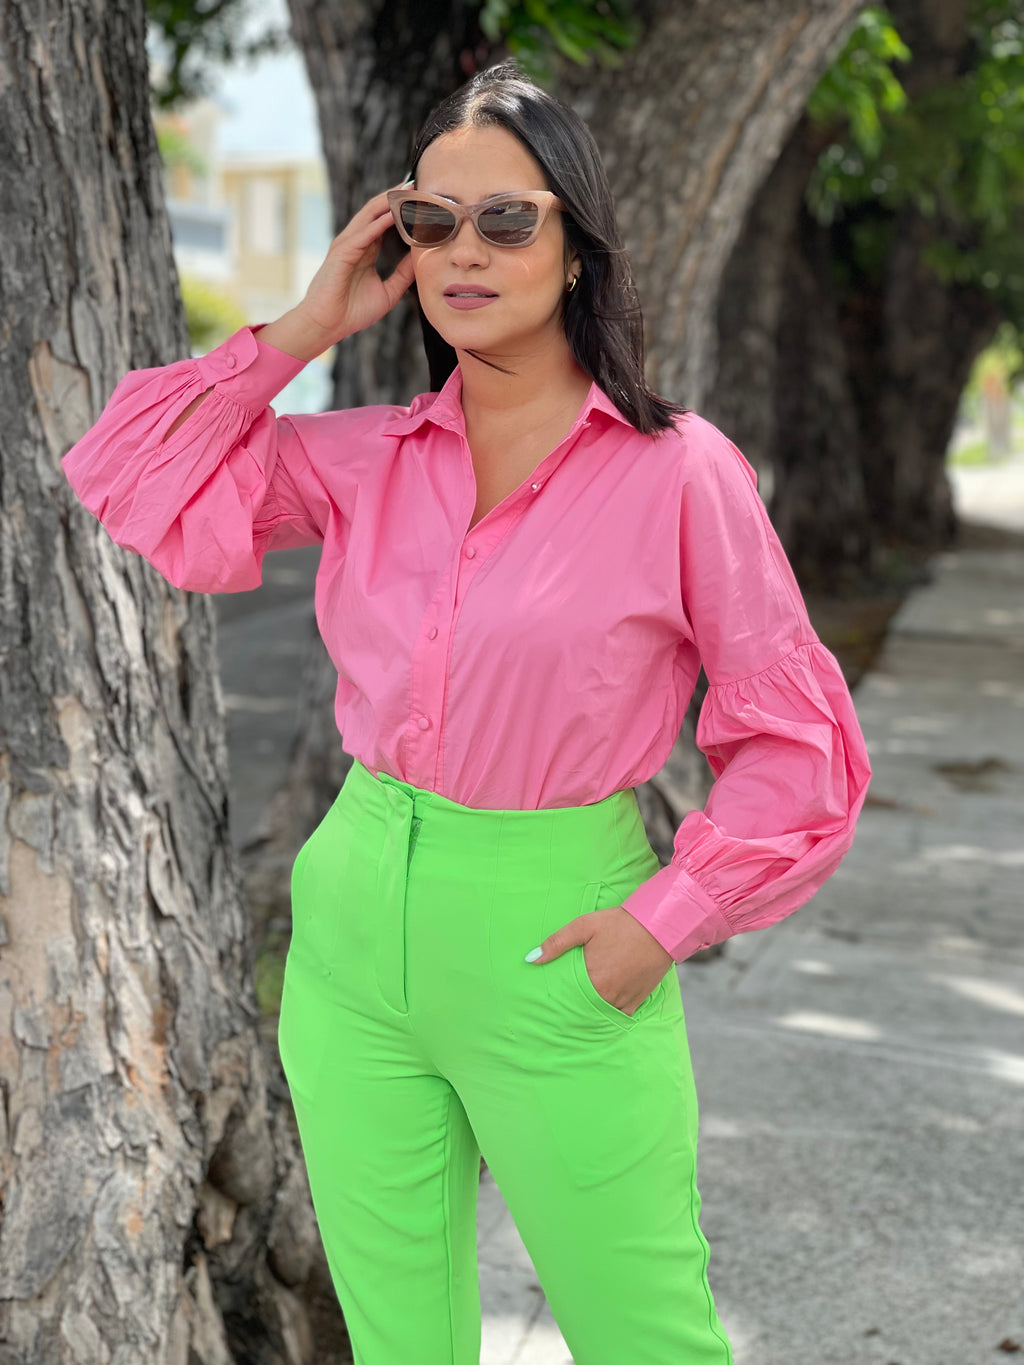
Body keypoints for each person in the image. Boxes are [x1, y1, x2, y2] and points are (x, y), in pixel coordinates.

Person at [62, 60, 871, 1365]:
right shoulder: (366, 459)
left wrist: (661, 922)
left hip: (560, 940)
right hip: (351, 945)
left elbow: (797, 747)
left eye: (511, 219)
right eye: (433, 221)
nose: (467, 251)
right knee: (402, 1345)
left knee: (646, 1336)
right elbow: (122, 470)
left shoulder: (679, 474)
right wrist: (307, 325)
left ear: (578, 247)